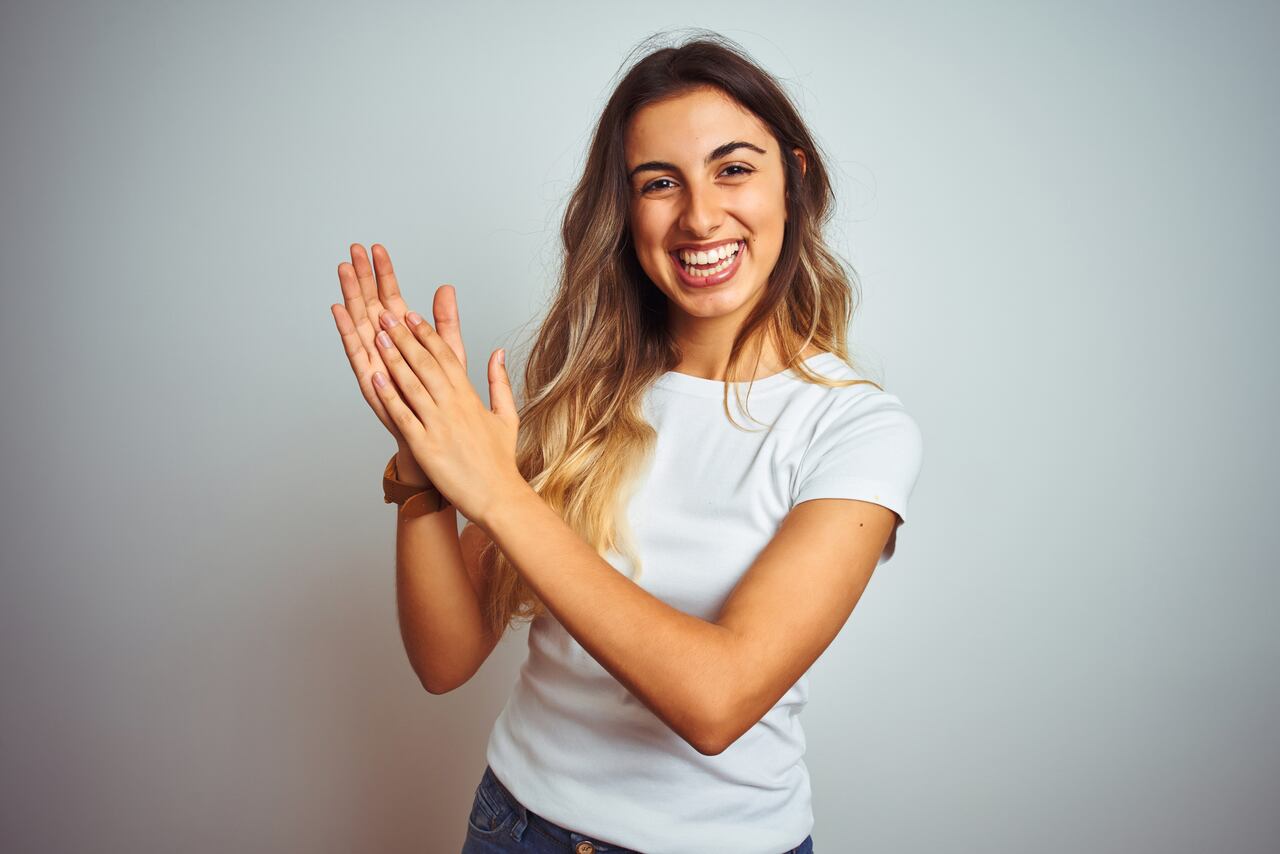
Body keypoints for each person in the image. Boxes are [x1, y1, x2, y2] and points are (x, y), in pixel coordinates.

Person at [330, 31, 922, 854]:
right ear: (625, 209)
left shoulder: (858, 431)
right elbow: (444, 657)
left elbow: (716, 703)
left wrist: (497, 492)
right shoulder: (587, 395)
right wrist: (424, 460)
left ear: (797, 176)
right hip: (516, 827)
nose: (701, 215)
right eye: (659, 183)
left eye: (734, 168)